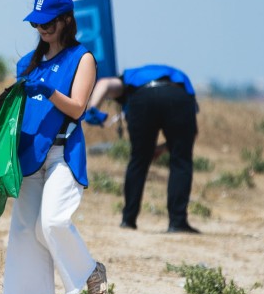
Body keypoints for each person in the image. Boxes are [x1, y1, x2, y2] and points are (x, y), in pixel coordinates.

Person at [2, 0, 108, 294]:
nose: (41, 29)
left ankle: (90, 270)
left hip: (63, 151)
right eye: (36, 23)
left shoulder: (82, 58)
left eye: (48, 22)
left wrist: (48, 90)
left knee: (51, 222)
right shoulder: (26, 63)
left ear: (66, 20)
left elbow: (77, 108)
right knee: (25, 229)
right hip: (29, 153)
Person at [86, 65, 201, 233]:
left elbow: (105, 83)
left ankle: (128, 220)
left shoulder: (129, 77)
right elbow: (191, 134)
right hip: (178, 97)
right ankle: (177, 222)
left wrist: (92, 108)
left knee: (138, 160)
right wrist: (162, 148)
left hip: (142, 98)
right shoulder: (179, 76)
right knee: (181, 161)